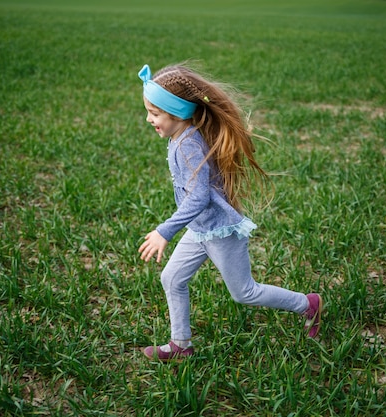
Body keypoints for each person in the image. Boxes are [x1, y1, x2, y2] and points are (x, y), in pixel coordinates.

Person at [137, 63, 322, 361]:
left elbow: (198, 198)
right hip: (200, 229)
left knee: (244, 293)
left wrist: (164, 230)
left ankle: (308, 303)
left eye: (155, 113)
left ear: (178, 112)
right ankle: (181, 345)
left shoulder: (187, 146)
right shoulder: (180, 138)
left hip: (220, 230)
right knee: (171, 278)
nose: (149, 119)